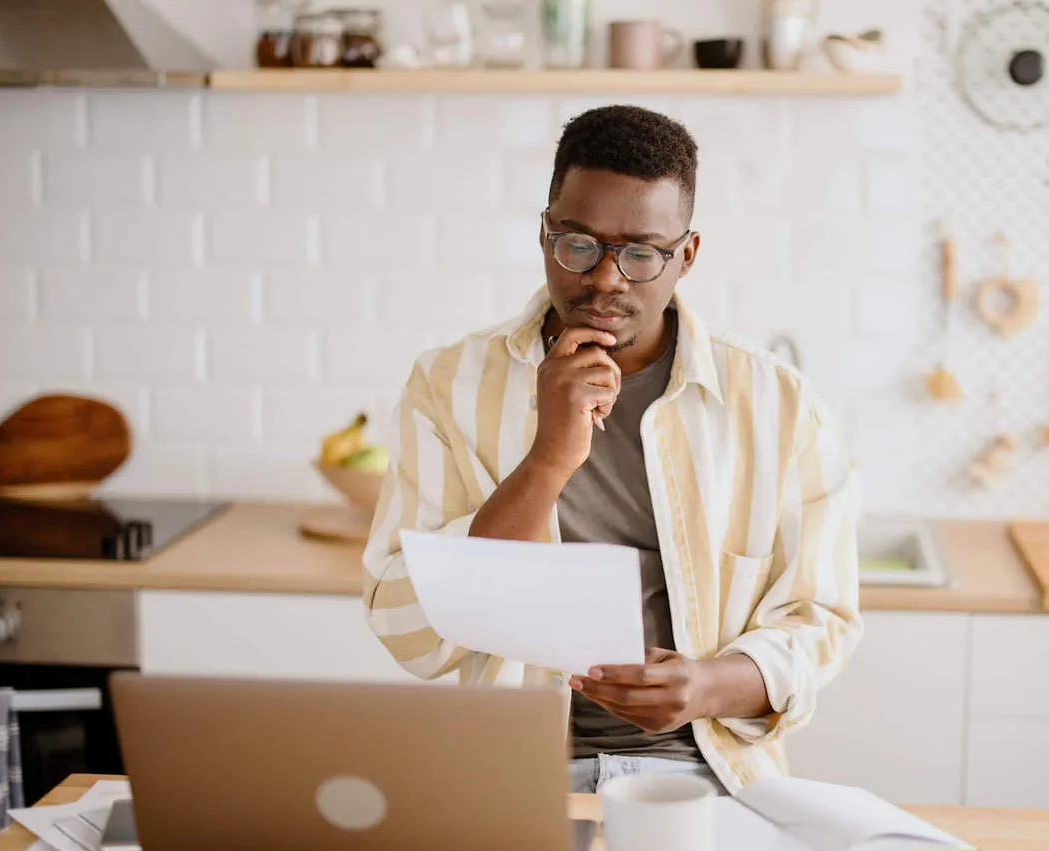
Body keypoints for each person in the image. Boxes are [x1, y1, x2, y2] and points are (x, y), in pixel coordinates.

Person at [363, 104, 861, 796]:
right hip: (512, 777)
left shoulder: (776, 404)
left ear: (685, 256)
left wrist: (708, 686)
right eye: (578, 244)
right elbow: (405, 624)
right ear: (544, 234)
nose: (605, 279)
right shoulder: (447, 386)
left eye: (640, 253)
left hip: (705, 773)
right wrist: (547, 461)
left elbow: (820, 620)